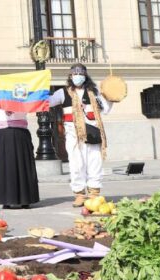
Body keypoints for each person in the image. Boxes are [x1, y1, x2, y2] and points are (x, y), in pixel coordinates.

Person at [48, 63, 111, 206]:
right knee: (76, 166)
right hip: (73, 137)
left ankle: (94, 194)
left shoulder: (94, 93)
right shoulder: (62, 93)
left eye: (81, 74)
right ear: (70, 76)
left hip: (93, 135)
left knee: (95, 164)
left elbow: (106, 109)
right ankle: (79, 194)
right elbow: (47, 102)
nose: (78, 77)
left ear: (85, 76)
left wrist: (112, 96)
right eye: (75, 74)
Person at [0, 72, 40, 209]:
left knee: (24, 166)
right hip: (3, 132)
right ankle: (6, 199)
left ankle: (26, 199)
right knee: (5, 167)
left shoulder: (18, 90)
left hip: (21, 131)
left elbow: (31, 97)